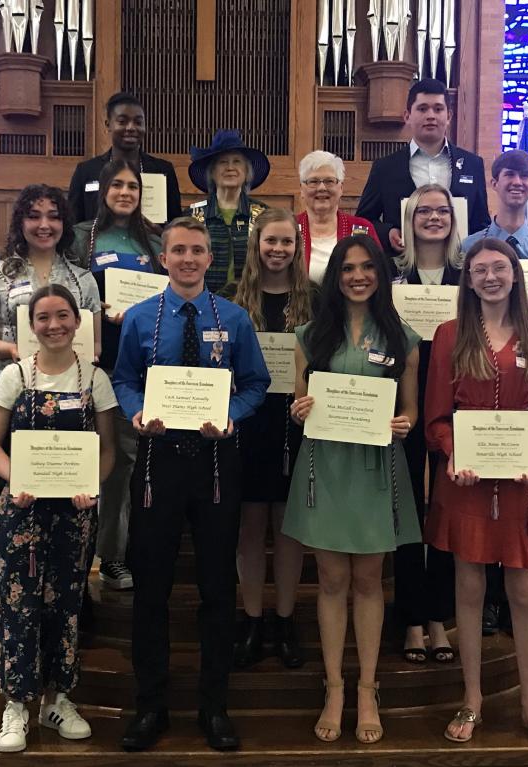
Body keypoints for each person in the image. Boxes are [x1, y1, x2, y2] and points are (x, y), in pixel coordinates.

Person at [113, 217, 270, 752]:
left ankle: (214, 706)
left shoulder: (235, 319)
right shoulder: (138, 320)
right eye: (178, 250)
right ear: (164, 257)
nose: (186, 258)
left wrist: (231, 415)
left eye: (196, 250)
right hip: (157, 463)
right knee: (151, 589)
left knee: (217, 589)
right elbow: (124, 380)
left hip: (217, 464)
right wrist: (135, 413)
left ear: (209, 259)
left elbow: (256, 383)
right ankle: (150, 707)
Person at [424, 238, 528, 749]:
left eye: (499, 267)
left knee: (524, 593)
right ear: (468, 279)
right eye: (480, 269)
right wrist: (451, 451)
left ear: (515, 274)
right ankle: (473, 699)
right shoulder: (448, 335)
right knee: (468, 590)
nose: (490, 276)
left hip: (526, 485)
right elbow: (437, 416)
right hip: (467, 484)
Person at [283, 235, 421, 744]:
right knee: (331, 581)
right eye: (347, 268)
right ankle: (334, 688)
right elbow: (300, 404)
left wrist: (403, 423)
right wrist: (298, 410)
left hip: (375, 467)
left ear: (380, 274)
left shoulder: (402, 336)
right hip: (326, 468)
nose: (357, 276)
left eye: (366, 267)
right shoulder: (309, 335)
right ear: (334, 276)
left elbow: (409, 409)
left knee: (368, 581)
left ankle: (367, 688)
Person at [0, 284, 117, 753]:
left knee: (66, 605)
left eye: (63, 315)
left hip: (73, 513)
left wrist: (93, 487)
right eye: (43, 317)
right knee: (19, 606)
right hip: (20, 511)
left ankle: (58, 699)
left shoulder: (94, 378)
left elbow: (108, 448)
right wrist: (15, 479)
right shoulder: (14, 375)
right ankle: (16, 704)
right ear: (30, 325)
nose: (54, 324)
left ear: (78, 322)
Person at [0, 184, 101, 637]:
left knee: (68, 511)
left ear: (65, 223)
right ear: (20, 222)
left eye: (53, 216)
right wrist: (19, 350)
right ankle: (0, 612)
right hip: (12, 395)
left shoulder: (82, 277)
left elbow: (95, 343)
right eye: (34, 215)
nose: (44, 224)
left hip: (69, 399)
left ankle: (67, 610)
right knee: (9, 505)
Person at [224, 208, 316, 670]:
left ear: (298, 249)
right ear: (256, 246)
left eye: (287, 242)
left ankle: (284, 620)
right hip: (247, 424)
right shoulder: (233, 302)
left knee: (288, 529)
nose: (278, 250)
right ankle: (252, 619)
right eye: (270, 241)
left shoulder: (315, 300)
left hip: (298, 425)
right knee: (250, 527)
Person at [73, 159, 162, 590]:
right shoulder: (80, 237)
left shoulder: (154, 239)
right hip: (92, 364)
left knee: (128, 464)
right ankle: (93, 556)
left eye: (133, 186)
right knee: (94, 462)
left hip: (140, 366)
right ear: (103, 189)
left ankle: (122, 552)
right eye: (118, 185)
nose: (125, 192)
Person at [390, 184, 462, 664]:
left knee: (447, 507)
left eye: (442, 211)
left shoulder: (468, 276)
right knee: (407, 509)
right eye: (423, 211)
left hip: (458, 404)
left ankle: (440, 616)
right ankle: (412, 618)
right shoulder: (395, 278)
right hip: (405, 404)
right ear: (409, 220)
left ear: (454, 219)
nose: (433, 218)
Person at [356, 78, 490, 257]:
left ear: (448, 116)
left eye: (438, 109)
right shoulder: (385, 168)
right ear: (407, 116)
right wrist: (388, 233)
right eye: (422, 108)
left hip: (459, 269)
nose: (431, 115)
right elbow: (362, 221)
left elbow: (481, 223)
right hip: (402, 269)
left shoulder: (473, 165)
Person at [461, 149, 528, 322]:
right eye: (510, 174)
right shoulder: (469, 246)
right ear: (494, 183)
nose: (517, 182)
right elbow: (462, 303)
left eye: (525, 176)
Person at [67, 91, 182, 224]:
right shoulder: (86, 171)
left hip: (150, 243)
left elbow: (175, 222)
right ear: (108, 125)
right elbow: (73, 223)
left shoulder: (163, 170)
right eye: (122, 121)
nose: (131, 127)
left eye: (138, 122)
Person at [188, 130, 270, 292]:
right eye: (223, 162)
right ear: (211, 172)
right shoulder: (192, 216)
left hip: (251, 305)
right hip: (204, 305)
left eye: (237, 161)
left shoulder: (264, 215)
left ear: (247, 172)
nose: (230, 167)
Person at [295, 150, 380, 284]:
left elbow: (378, 276)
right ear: (302, 190)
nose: (322, 188)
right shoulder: (290, 228)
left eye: (329, 181)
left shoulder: (363, 228)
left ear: (341, 188)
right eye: (313, 181)